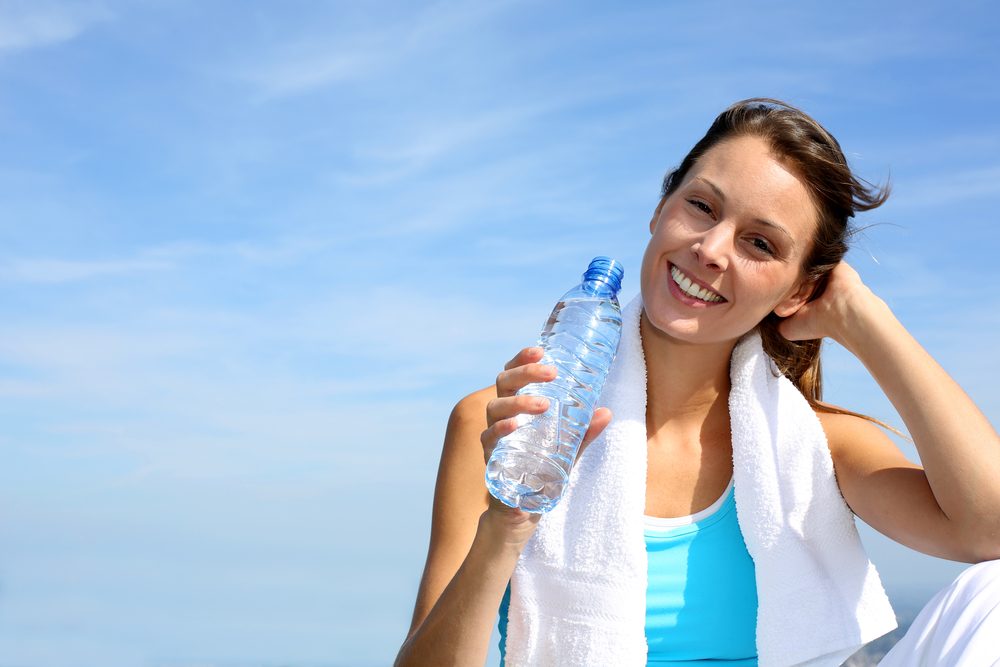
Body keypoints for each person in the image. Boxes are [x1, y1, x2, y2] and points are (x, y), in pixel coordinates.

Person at [393, 98, 1000, 666]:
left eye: (759, 243)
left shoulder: (818, 445)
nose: (711, 249)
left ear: (797, 290)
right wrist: (508, 522)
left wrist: (867, 322)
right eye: (702, 207)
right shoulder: (507, 421)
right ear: (660, 210)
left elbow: (989, 532)